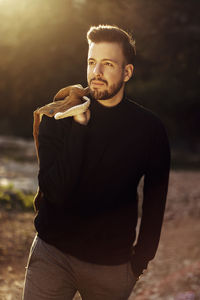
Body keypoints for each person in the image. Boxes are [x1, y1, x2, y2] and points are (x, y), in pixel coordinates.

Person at [22, 25, 170, 300]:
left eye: (108, 63)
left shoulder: (150, 130)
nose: (96, 72)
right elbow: (56, 191)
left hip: (111, 266)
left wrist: (140, 262)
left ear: (127, 72)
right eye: (92, 62)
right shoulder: (59, 116)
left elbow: (155, 201)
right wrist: (79, 125)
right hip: (52, 254)